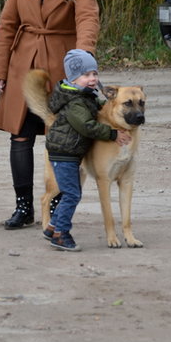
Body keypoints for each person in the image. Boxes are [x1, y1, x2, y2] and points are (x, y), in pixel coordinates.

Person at [0, 0, 99, 230]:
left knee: (62, 139)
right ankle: (23, 207)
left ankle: (54, 205)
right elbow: (8, 21)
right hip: (23, 62)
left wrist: (83, 63)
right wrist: (0, 67)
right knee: (20, 135)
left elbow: (88, 19)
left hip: (61, 64)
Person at [42, 49, 131, 252]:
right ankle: (61, 235)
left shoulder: (84, 96)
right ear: (73, 78)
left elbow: (99, 106)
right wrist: (113, 134)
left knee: (72, 192)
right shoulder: (75, 101)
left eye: (94, 74)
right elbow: (87, 126)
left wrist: (111, 104)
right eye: (86, 75)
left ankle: (52, 228)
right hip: (63, 153)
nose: (92, 79)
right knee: (72, 195)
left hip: (70, 152)